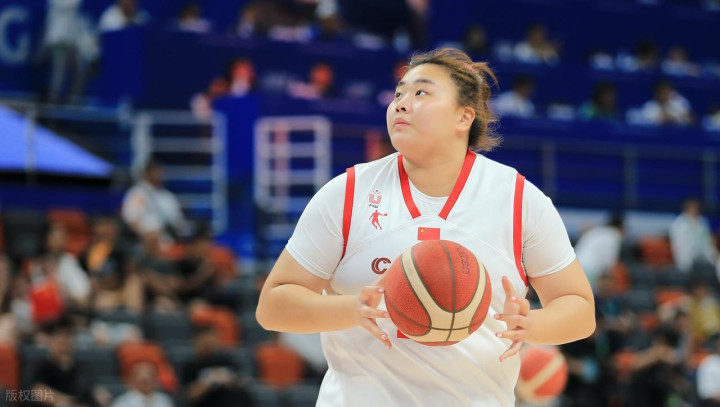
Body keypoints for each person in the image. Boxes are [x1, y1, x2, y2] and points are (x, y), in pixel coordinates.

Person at [256, 47, 595, 406]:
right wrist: (354, 309)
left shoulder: (520, 200)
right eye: (398, 93)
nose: (401, 104)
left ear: (464, 117)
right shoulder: (347, 193)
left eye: (421, 92)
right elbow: (272, 306)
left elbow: (580, 309)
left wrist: (532, 325)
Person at [122, 159, 188, 242]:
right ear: (146, 173)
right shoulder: (137, 193)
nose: (158, 175)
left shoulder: (168, 196)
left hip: (168, 238)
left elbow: (177, 222)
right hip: (145, 239)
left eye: (160, 172)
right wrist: (146, 236)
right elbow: (131, 220)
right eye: (155, 171)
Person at [574, 214, 624, 288]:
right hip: (588, 270)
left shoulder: (596, 230)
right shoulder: (614, 235)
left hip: (574, 265)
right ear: (621, 228)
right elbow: (609, 262)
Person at [111, 361, 175, 407]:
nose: (146, 382)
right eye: (143, 381)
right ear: (131, 380)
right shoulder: (122, 402)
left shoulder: (164, 399)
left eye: (150, 376)